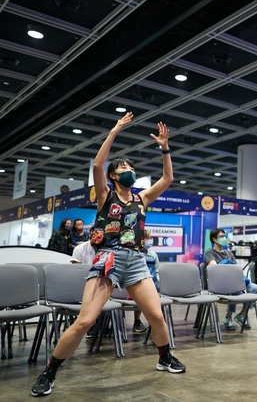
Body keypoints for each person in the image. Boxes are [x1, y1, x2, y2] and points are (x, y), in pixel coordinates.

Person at [31, 113, 184, 397]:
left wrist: (165, 148)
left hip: (136, 261)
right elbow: (97, 164)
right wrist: (115, 130)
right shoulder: (105, 195)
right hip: (108, 259)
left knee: (157, 316)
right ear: (114, 175)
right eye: (123, 168)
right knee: (85, 321)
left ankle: (164, 357)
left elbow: (168, 178)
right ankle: (50, 371)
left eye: (131, 168)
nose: (129, 171)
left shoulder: (142, 198)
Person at [205, 229, 257, 330]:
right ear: (214, 239)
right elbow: (214, 268)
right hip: (220, 283)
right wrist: (229, 266)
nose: (224, 238)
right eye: (221, 236)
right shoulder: (210, 252)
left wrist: (229, 267)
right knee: (236, 289)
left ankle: (242, 314)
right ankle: (228, 317)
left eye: (224, 236)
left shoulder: (229, 253)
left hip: (235, 280)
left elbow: (237, 267)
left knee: (255, 289)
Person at [132, 230, 161, 333]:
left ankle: (154, 323)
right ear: (140, 239)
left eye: (150, 238)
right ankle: (137, 320)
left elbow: (157, 271)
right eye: (147, 238)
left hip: (151, 285)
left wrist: (157, 282)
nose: (150, 240)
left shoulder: (152, 255)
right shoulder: (132, 253)